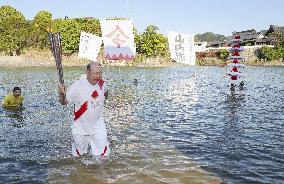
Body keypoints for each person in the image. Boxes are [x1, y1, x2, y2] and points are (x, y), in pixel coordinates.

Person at [58, 62, 110, 157]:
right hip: (80, 127)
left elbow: (105, 94)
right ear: (87, 72)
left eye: (99, 73)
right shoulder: (77, 85)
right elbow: (64, 102)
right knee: (79, 155)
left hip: (98, 126)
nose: (97, 76)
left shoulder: (102, 84)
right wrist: (61, 94)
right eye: (94, 73)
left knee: (103, 155)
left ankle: (100, 171)